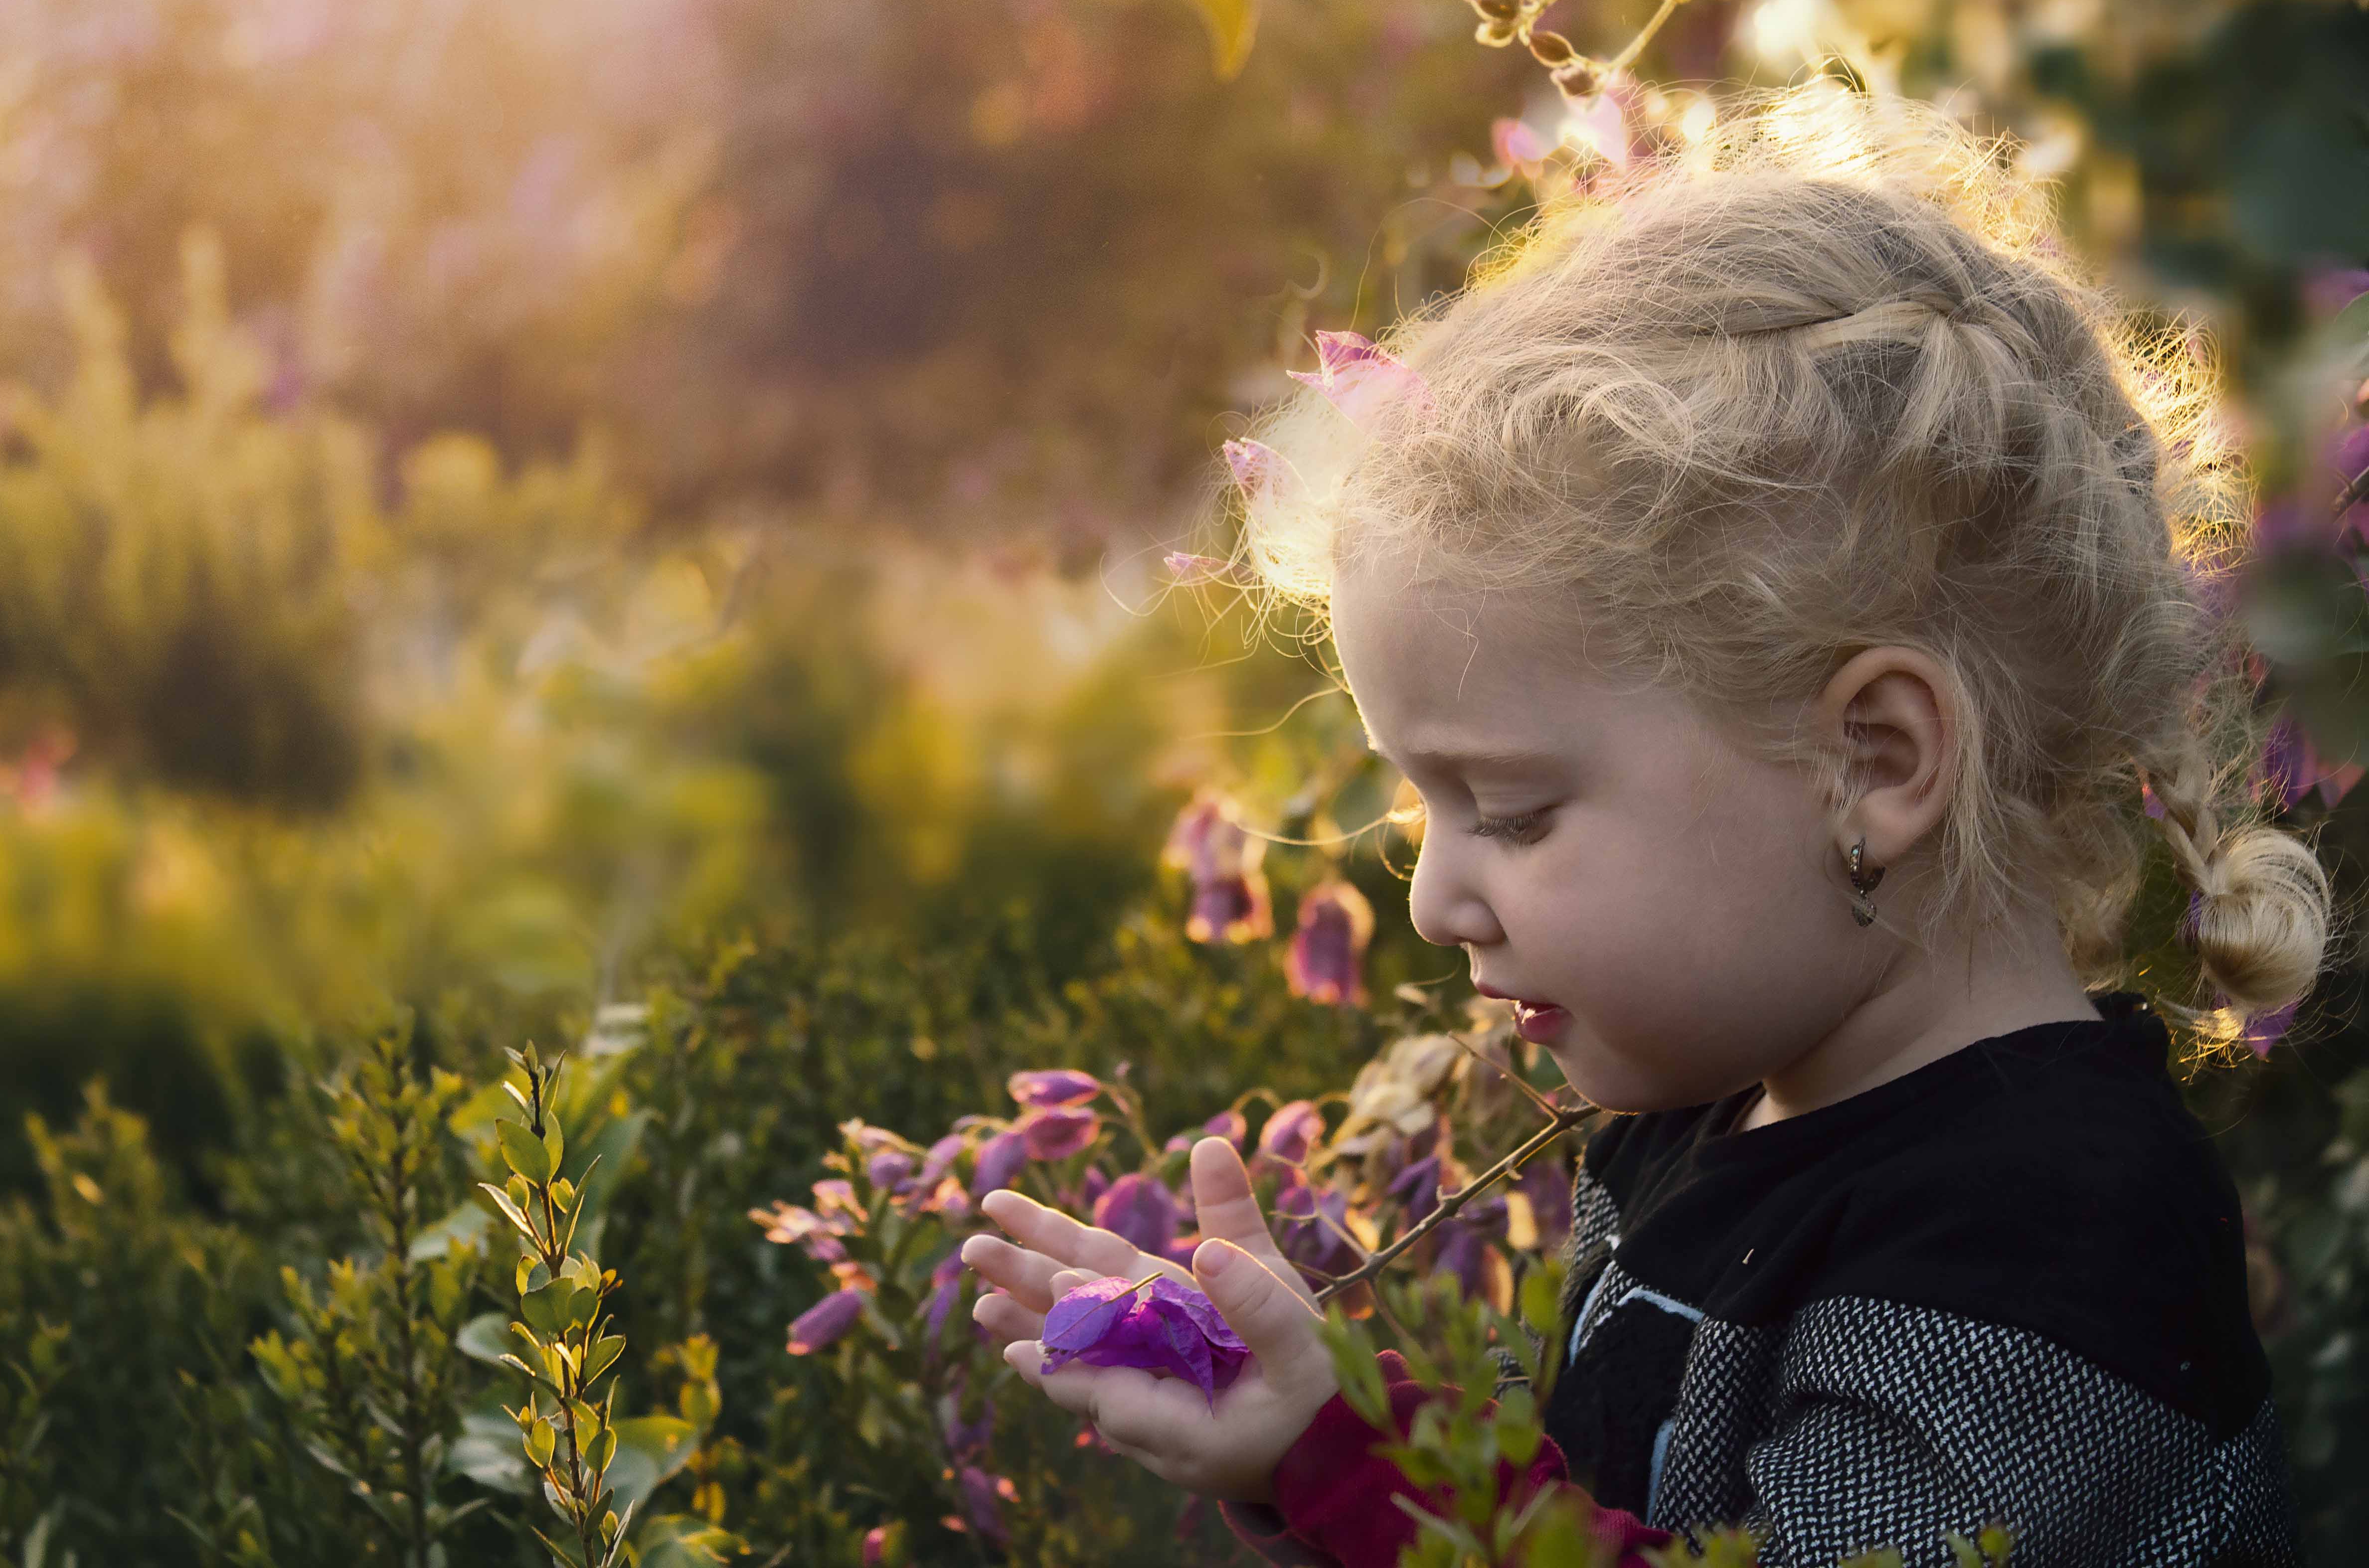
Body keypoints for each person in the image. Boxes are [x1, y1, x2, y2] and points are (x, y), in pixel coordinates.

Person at [958, 83, 2326, 1567]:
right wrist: (1308, 1440)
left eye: (1516, 811)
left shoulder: (2043, 1246)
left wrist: (1337, 1465)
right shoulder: (1726, 1096)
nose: (1432, 902)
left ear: (1873, 760)